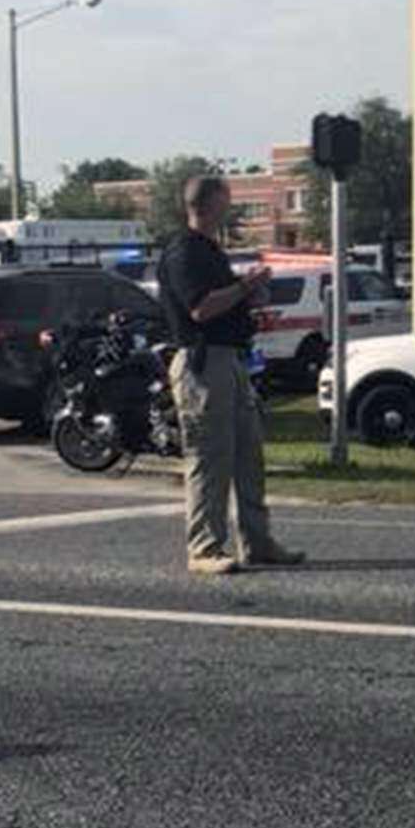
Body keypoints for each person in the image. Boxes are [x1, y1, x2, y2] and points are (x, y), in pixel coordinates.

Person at [157, 176, 306, 575]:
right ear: (208, 204)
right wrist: (245, 286)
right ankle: (204, 548)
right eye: (226, 200)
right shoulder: (184, 252)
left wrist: (250, 297)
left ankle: (257, 542)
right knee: (211, 458)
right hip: (203, 365)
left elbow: (224, 303)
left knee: (248, 456)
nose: (231, 207)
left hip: (233, 360)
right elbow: (200, 310)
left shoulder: (210, 250)